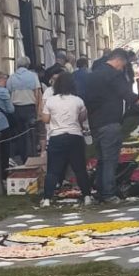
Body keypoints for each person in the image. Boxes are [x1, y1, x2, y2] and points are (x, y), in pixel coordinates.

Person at [84, 49, 139, 204]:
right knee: (110, 160)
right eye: (123, 66)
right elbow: (128, 96)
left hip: (95, 123)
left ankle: (100, 190)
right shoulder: (114, 75)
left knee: (101, 159)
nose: (122, 69)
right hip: (110, 122)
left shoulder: (93, 75)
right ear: (119, 61)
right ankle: (108, 193)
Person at [39, 71, 92, 208]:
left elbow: (45, 119)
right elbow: (82, 118)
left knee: (53, 170)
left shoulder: (51, 100)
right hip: (75, 136)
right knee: (79, 168)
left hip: (56, 136)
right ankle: (87, 196)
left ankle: (47, 198)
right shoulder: (78, 100)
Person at [6, 56, 42, 163]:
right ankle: (31, 156)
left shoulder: (12, 78)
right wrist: (37, 108)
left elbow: (8, 93)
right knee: (31, 134)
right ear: (28, 65)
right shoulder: (33, 76)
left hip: (16, 109)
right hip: (29, 108)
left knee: (20, 135)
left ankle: (23, 157)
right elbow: (37, 93)